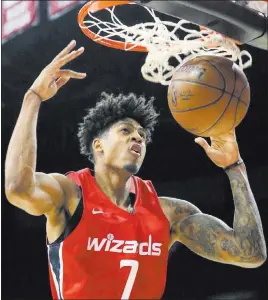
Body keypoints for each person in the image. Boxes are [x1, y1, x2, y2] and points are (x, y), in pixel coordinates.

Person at [5, 40, 266, 300]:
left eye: (142, 135)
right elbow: (17, 188)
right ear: (99, 146)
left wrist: (234, 167)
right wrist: (33, 98)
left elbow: (249, 253)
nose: (138, 139)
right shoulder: (71, 195)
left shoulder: (167, 213)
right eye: (126, 131)